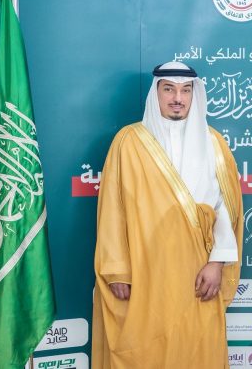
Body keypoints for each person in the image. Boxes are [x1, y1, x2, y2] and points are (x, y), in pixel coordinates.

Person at [92, 62, 243, 368]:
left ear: (194, 95)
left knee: (195, 350)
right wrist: (117, 269)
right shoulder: (128, 141)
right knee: (144, 351)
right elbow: (112, 210)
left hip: (197, 272)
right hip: (144, 271)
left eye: (185, 90)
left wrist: (217, 263)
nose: (177, 98)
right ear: (156, 93)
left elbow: (225, 209)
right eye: (169, 89)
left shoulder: (214, 144)